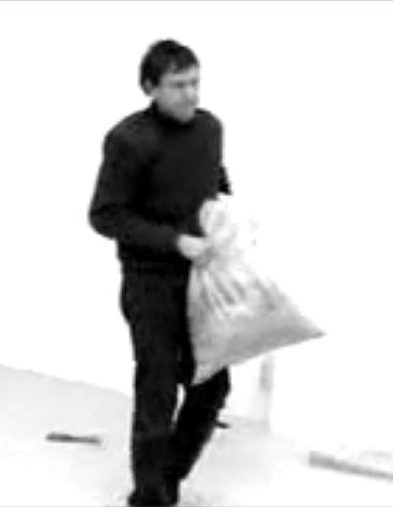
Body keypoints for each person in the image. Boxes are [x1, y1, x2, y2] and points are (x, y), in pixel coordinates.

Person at [88, 39, 232, 506]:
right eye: (178, 85)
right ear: (150, 87)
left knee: (213, 384)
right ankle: (150, 496)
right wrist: (175, 241)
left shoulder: (209, 129)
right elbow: (106, 215)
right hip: (149, 282)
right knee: (158, 387)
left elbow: (214, 181)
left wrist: (229, 220)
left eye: (195, 82)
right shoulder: (129, 140)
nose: (191, 94)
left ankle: (165, 478)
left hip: (201, 279)